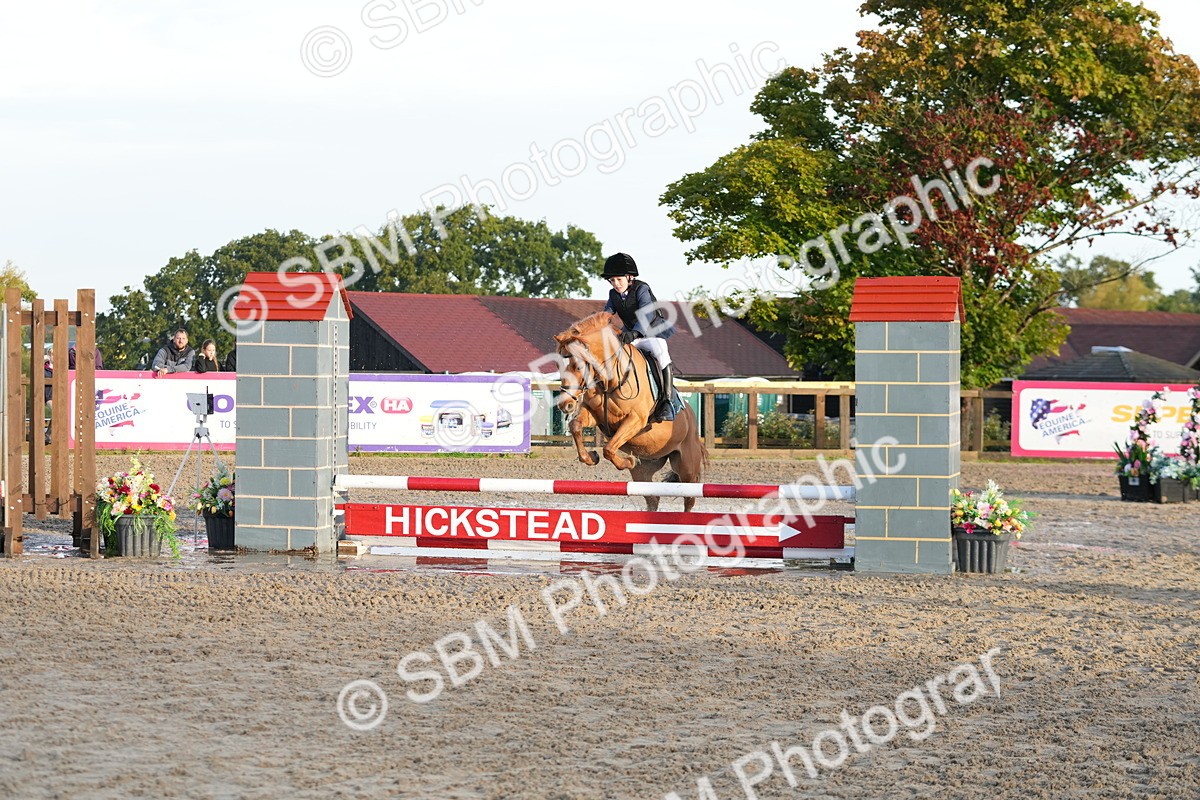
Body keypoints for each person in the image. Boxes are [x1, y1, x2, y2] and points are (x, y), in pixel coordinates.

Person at [601, 252, 678, 421]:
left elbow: (646, 314)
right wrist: (595, 326)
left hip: (652, 332)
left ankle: (666, 401)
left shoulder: (642, 288)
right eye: (612, 280)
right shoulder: (613, 295)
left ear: (629, 277)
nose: (615, 284)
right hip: (630, 334)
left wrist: (635, 333)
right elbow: (606, 314)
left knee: (661, 353)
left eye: (619, 280)